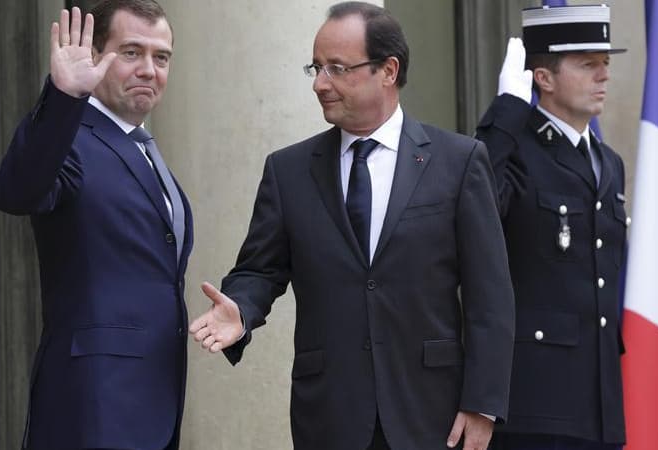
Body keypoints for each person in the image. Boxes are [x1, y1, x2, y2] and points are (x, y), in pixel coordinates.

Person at [189, 2, 514, 449]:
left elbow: (490, 296)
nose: (321, 84)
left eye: (337, 68)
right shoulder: (289, 171)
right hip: (329, 415)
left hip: (432, 415)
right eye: (316, 68)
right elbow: (259, 271)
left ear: (388, 70)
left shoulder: (458, 162)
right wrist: (241, 312)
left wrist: (482, 403)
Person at [0, 1, 192, 449]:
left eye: (160, 58)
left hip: (154, 402)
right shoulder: (73, 138)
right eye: (130, 53)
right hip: (92, 407)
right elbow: (16, 191)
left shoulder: (143, 149)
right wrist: (63, 96)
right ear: (96, 56)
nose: (148, 69)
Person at [474, 5, 628, 450]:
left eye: (605, 64)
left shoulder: (607, 162)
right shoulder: (514, 149)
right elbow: (472, 204)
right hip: (533, 404)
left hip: (597, 405)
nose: (603, 76)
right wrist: (504, 113)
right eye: (587, 64)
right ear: (543, 77)